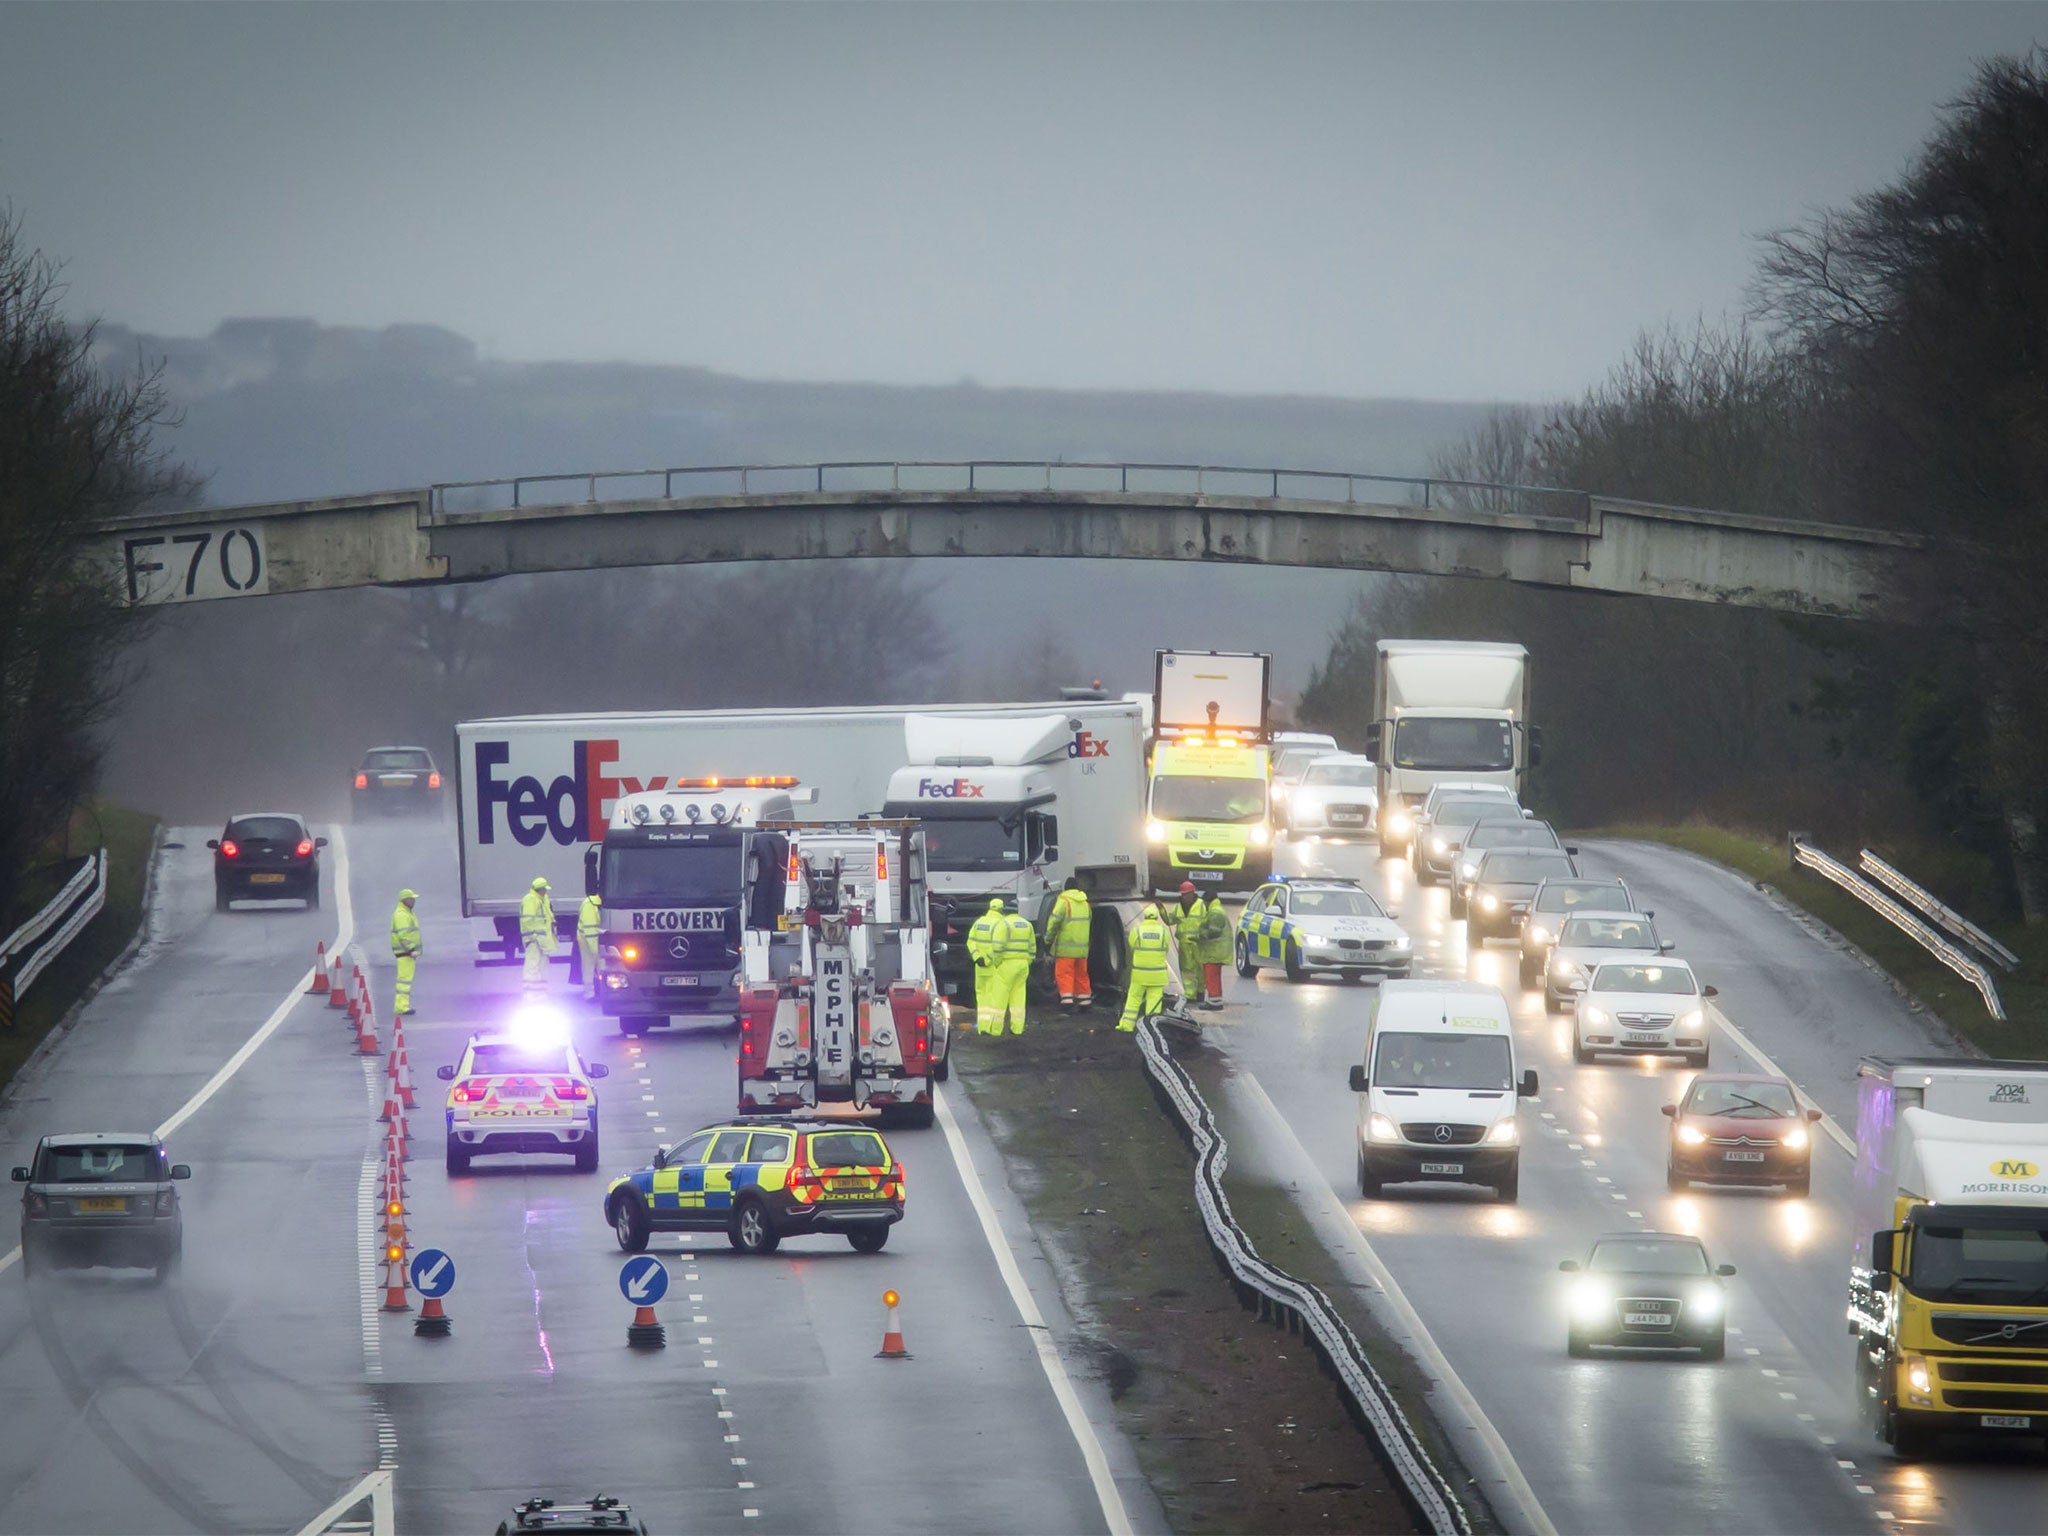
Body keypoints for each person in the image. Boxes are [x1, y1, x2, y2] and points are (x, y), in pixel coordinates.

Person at [1119, 901, 1174, 1032]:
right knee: (1154, 1002)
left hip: (1140, 975)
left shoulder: (1136, 931)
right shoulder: (1163, 932)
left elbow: (1132, 945)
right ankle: (1151, 1028)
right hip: (1157, 976)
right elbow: (1166, 948)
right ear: (1156, 917)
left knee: (1133, 999)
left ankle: (1127, 1026)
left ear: (1145, 916)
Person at [990, 897, 1038, 1035]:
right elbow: (1033, 947)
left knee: (1000, 998)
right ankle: (1017, 1028)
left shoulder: (1003, 924)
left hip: (1006, 964)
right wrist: (1027, 961)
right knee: (1019, 998)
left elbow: (997, 947)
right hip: (1023, 965)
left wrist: (997, 962)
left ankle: (996, 1030)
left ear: (1005, 912)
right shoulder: (1026, 924)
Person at [1046, 877, 1093, 1013]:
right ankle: (1085, 1002)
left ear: (1065, 888)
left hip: (1066, 948)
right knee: (1081, 975)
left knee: (1064, 974)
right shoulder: (1085, 904)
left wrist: (1048, 940)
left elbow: (1054, 922)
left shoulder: (1064, 901)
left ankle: (1067, 1002)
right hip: (1082, 949)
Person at [965, 896, 1008, 1035]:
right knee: (993, 997)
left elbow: (970, 942)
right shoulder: (1001, 924)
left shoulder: (979, 922)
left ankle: (982, 1027)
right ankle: (991, 1028)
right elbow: (998, 946)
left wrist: (978, 957)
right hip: (994, 967)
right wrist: (988, 959)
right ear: (1002, 909)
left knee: (981, 997)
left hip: (980, 968)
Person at [1172, 882, 1209, 1006]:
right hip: (1184, 944)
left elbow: (1207, 923)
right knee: (1187, 970)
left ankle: (1200, 993)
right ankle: (1190, 995)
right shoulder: (1178, 907)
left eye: (1187, 894)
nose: (1185, 897)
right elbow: (1169, 920)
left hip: (1199, 943)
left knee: (1200, 969)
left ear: (1193, 893)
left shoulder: (1201, 905)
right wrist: (1160, 909)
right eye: (1183, 895)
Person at [1195, 887, 1232, 1010]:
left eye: (1204, 902)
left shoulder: (1215, 912)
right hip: (1216, 951)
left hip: (1215, 951)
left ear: (1207, 901)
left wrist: (1199, 936)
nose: (1203, 904)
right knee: (1214, 976)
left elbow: (1214, 932)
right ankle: (1215, 1000)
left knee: (1211, 976)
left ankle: (1214, 1003)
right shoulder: (1216, 910)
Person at [519, 876, 557, 992]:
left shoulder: (542, 899)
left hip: (542, 941)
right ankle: (531, 993)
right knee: (532, 965)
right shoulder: (530, 900)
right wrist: (532, 937)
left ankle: (540, 993)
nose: (546, 891)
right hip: (534, 940)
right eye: (544, 889)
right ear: (540, 890)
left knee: (542, 966)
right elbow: (527, 921)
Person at [389, 889, 421, 1016]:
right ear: (404, 900)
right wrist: (412, 949)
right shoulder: (402, 915)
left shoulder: (406, 912)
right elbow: (403, 935)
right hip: (405, 953)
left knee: (405, 981)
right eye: (411, 898)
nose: (413, 901)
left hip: (406, 953)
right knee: (404, 981)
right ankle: (402, 1007)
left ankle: (402, 1005)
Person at [577, 890, 603, 1000]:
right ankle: (589, 994)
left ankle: (595, 992)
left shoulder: (594, 904)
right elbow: (590, 930)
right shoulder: (590, 905)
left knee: (593, 965)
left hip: (593, 938)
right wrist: (596, 952)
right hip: (587, 939)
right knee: (589, 964)